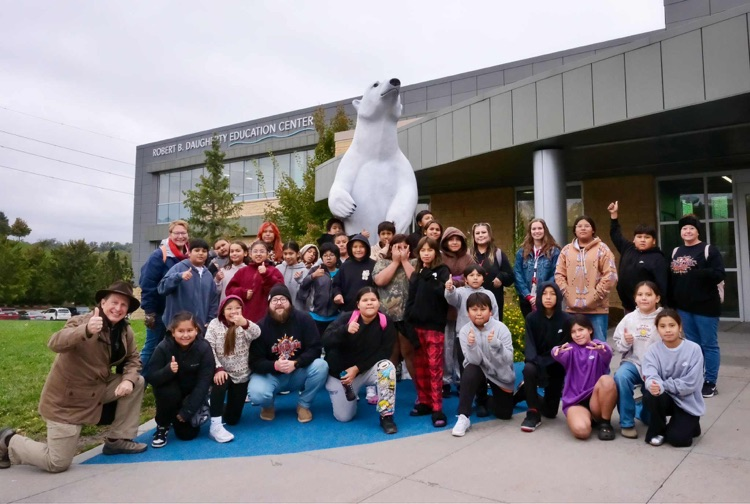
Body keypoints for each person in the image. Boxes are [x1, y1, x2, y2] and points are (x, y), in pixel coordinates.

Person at [0, 282, 146, 472]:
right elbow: (55, 343)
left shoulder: (125, 331)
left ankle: (117, 439)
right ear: (102, 303)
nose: (118, 308)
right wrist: (85, 330)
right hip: (67, 401)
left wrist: (128, 380)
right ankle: (7, 439)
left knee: (137, 381)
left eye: (123, 305)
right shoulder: (82, 321)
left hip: (97, 389)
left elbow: (133, 359)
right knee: (57, 463)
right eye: (114, 302)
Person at [247, 284, 329, 423]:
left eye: (283, 299)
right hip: (272, 375)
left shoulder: (304, 319)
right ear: (269, 304)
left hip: (298, 371)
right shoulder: (260, 327)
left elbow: (315, 348)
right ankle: (268, 406)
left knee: (321, 366)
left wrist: (297, 363)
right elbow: (254, 362)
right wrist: (275, 366)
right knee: (257, 393)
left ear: (290, 302)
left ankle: (303, 405)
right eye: (275, 300)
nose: (279, 303)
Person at [323, 287, 398, 434]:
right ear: (358, 304)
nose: (369, 303)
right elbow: (325, 340)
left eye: (373, 300)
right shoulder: (347, 318)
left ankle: (386, 416)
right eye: (365, 300)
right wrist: (344, 331)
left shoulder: (385, 322)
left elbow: (385, 352)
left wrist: (357, 368)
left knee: (387, 367)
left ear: (379, 303)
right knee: (344, 417)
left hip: (364, 370)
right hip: (342, 375)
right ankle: (349, 395)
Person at [668, 214, 726, 398]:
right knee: (693, 346)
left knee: (709, 345)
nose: (687, 231)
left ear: (697, 231)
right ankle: (696, 378)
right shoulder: (676, 251)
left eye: (691, 228)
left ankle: (710, 382)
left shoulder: (709, 250)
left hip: (706, 307)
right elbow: (673, 279)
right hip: (684, 308)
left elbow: (719, 274)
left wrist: (698, 273)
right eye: (684, 228)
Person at [452, 293, 522, 437]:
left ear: (490, 311)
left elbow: (508, 360)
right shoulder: (465, 331)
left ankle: (520, 393)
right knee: (470, 370)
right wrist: (472, 346)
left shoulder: (501, 329)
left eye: (483, 309)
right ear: (468, 312)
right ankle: (463, 416)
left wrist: (497, 345)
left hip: (499, 374)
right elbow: (474, 361)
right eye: (474, 309)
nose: (478, 313)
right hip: (479, 372)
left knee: (504, 414)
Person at [146, 312, 214, 448]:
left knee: (187, 435)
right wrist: (168, 371)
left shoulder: (204, 348)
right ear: (173, 332)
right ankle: (162, 425)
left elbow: (204, 382)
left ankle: (183, 415)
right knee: (169, 392)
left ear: (196, 330)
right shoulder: (163, 347)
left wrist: (188, 411)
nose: (185, 335)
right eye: (180, 331)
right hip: (170, 392)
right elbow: (151, 377)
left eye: (190, 330)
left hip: (190, 395)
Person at [405, 237, 451, 428]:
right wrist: (408, 323)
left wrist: (429, 276)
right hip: (417, 327)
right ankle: (424, 402)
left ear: (435, 252)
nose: (426, 253)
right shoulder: (416, 275)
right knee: (421, 367)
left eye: (429, 250)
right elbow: (411, 301)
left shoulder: (442, 271)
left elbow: (442, 294)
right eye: (422, 250)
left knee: (434, 367)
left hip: (435, 327)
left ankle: (437, 408)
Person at [641, 309, 705, 447]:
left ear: (680, 327)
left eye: (672, 325)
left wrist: (663, 385)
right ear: (657, 329)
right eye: (662, 326)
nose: (667, 330)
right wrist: (654, 385)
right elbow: (650, 374)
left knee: (678, 440)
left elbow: (691, 383)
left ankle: (691, 424)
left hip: (687, 401)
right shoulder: (653, 350)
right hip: (665, 398)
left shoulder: (694, 349)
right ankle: (658, 430)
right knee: (650, 394)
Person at [204, 296, 261, 443]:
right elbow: (208, 347)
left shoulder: (245, 324)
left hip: (241, 374)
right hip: (221, 371)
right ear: (223, 311)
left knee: (232, 419)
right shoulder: (214, 324)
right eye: (229, 308)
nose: (233, 311)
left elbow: (257, 333)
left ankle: (211, 405)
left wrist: (245, 324)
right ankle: (215, 425)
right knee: (220, 382)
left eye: (237, 308)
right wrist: (218, 368)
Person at [445, 264, 499, 416]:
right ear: (466, 278)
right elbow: (451, 299)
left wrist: (493, 334)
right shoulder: (461, 292)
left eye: (478, 275)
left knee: (482, 370)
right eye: (471, 275)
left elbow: (495, 315)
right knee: (465, 371)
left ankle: (481, 401)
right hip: (462, 338)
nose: (475, 278)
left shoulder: (489, 294)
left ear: (483, 278)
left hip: (484, 338)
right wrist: (449, 288)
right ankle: (465, 403)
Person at [552, 314, 618, 441]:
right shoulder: (569, 349)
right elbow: (557, 354)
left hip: (596, 400)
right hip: (576, 402)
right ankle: (586, 419)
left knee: (607, 380)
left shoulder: (597, 346)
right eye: (573, 332)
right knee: (582, 432)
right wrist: (557, 350)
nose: (577, 334)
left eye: (581, 329)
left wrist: (602, 350)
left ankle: (605, 423)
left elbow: (607, 352)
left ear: (590, 330)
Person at [555, 216, 618, 342]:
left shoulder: (602, 249)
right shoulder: (566, 251)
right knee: (574, 347)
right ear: (574, 230)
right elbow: (559, 274)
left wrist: (595, 295)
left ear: (593, 230)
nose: (583, 228)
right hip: (572, 309)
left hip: (597, 309)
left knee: (598, 347)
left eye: (587, 226)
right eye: (579, 226)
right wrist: (568, 294)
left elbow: (611, 275)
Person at [613, 281, 663, 439]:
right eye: (640, 295)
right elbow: (619, 347)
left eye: (649, 295)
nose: (644, 298)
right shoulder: (629, 319)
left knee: (649, 418)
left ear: (657, 298)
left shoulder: (664, 317)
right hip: (633, 363)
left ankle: (641, 411)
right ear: (635, 298)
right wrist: (626, 341)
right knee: (621, 377)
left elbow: (676, 342)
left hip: (657, 367)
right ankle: (627, 422)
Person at [139, 219, 190, 369]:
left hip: (179, 311)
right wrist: (150, 312)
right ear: (170, 234)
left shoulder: (188, 254)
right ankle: (139, 382)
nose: (180, 236)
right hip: (160, 312)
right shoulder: (159, 255)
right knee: (152, 348)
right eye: (177, 233)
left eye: (183, 233)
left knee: (171, 349)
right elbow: (147, 283)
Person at [520, 282, 569, 432]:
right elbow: (530, 345)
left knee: (550, 412)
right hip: (536, 361)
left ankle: (526, 393)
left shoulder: (567, 320)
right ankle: (533, 413)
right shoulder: (531, 318)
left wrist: (548, 362)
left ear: (558, 297)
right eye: (544, 294)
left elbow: (563, 349)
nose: (548, 297)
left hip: (555, 364)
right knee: (528, 369)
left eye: (552, 294)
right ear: (539, 296)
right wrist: (537, 363)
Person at [607, 201, 668, 313]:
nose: (643, 240)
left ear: (653, 241)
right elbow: (615, 234)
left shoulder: (658, 258)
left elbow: (663, 285)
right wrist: (614, 215)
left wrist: (664, 308)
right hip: (628, 307)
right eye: (639, 236)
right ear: (634, 239)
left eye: (647, 237)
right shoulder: (627, 248)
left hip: (649, 308)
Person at [373, 234, 416, 383]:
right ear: (390, 249)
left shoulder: (415, 262)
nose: (400, 251)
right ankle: (386, 390)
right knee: (391, 354)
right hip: (387, 316)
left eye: (404, 247)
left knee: (409, 352)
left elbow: (416, 280)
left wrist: (404, 261)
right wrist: (396, 262)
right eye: (397, 247)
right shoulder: (382, 263)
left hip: (409, 316)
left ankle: (421, 393)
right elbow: (379, 280)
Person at [440, 227, 475, 397]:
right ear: (446, 242)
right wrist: (457, 280)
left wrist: (453, 281)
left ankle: (462, 380)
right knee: (447, 346)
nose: (454, 242)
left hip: (463, 308)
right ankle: (445, 380)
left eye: (458, 239)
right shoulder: (440, 257)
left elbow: (471, 279)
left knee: (463, 346)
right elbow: (440, 279)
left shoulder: (468, 258)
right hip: (444, 307)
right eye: (451, 239)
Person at [157, 238, 219, 330]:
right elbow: (161, 288)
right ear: (189, 253)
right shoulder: (179, 268)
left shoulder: (208, 275)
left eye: (204, 251)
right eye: (197, 250)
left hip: (200, 328)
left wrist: (210, 321)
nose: (201, 253)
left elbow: (213, 300)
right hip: (177, 327)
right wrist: (179, 277)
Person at [226, 240, 284, 323]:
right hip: (244, 318)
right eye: (255, 251)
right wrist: (243, 293)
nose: (258, 254)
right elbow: (229, 290)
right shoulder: (243, 271)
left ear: (268, 254)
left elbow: (280, 290)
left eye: (262, 251)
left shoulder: (274, 271)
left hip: (267, 317)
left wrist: (266, 274)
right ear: (250, 254)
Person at [514, 218, 561, 318]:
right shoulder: (521, 252)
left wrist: (540, 294)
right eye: (534, 229)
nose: (537, 231)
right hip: (526, 298)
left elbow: (556, 273)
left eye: (540, 228)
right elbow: (518, 274)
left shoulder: (554, 252)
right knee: (530, 325)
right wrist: (528, 295)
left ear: (545, 230)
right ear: (530, 232)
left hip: (546, 297)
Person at [470, 222, 514, 322]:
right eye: (477, 233)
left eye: (483, 232)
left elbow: (510, 276)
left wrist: (501, 277)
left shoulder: (498, 254)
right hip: (472, 303)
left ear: (489, 234)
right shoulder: (468, 254)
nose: (480, 235)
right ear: (473, 236)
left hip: (493, 304)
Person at [298, 243, 341, 336]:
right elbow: (303, 285)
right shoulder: (315, 270)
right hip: (315, 315)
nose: (328, 258)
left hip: (335, 316)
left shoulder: (341, 272)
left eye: (331, 255)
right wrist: (313, 276)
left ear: (337, 257)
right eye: (325, 255)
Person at [332, 234, 376, 312]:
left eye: (362, 246)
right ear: (350, 249)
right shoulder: (345, 266)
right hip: (347, 309)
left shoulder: (374, 265)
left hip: (369, 309)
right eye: (355, 247)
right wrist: (337, 294)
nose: (358, 250)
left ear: (367, 248)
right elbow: (336, 284)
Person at [277, 241, 308, 312]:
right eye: (285, 254)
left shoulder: (304, 271)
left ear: (298, 254)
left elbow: (305, 294)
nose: (287, 257)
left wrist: (300, 281)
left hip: (297, 310)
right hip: (280, 309)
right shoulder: (278, 268)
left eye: (291, 253)